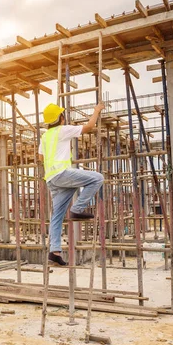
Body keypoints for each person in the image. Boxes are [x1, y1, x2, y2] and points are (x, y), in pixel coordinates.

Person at [38, 103, 105, 266]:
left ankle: (54, 253)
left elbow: (40, 158)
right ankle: (77, 209)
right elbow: (89, 127)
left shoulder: (45, 136)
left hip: (52, 179)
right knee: (97, 178)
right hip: (62, 174)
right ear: (61, 118)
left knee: (57, 216)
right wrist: (96, 111)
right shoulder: (63, 130)